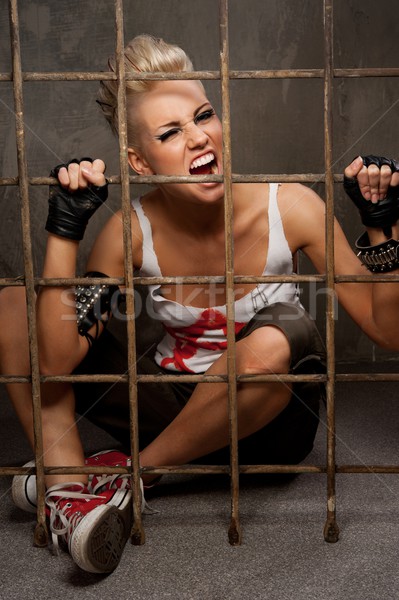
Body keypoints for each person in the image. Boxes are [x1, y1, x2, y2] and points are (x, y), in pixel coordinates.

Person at [3, 34, 399, 574]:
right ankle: (72, 497)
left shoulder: (293, 206)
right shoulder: (129, 230)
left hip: (269, 423)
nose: (197, 137)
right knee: (11, 304)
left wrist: (381, 229)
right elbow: (56, 361)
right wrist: (65, 229)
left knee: (289, 323)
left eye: (203, 115)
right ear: (139, 162)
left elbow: (387, 328)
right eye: (170, 132)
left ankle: (119, 480)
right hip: (165, 408)